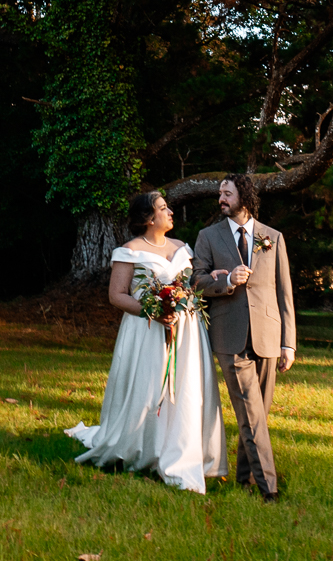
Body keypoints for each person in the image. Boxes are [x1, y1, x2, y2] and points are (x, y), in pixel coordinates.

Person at [65, 190, 226, 493]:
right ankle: (141, 444)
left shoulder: (182, 248)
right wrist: (153, 311)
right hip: (146, 332)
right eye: (164, 208)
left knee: (185, 389)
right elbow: (117, 295)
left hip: (186, 332)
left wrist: (208, 280)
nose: (170, 212)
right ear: (149, 218)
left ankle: (183, 449)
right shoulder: (130, 251)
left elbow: (192, 285)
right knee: (149, 389)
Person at [193, 173, 296, 501]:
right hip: (229, 335)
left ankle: (244, 479)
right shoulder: (208, 236)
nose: (221, 198)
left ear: (244, 197)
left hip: (268, 335)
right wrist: (226, 282)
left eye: (227, 193)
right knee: (251, 411)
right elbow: (195, 282)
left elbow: (284, 292)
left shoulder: (273, 237)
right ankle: (270, 488)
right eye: (219, 193)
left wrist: (288, 342)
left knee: (257, 415)